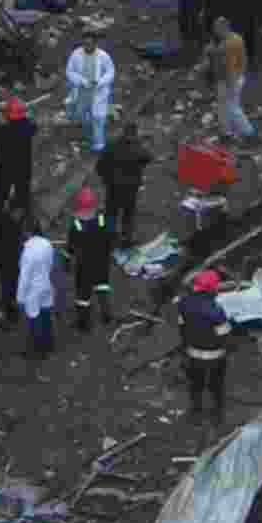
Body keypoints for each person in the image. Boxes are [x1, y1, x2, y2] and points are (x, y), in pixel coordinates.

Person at [178, 269, 232, 420]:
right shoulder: (216, 310)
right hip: (215, 356)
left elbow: (182, 327)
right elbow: (224, 334)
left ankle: (195, 411)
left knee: (196, 384)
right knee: (216, 385)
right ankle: (217, 413)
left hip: (193, 354)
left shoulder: (183, 304)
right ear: (212, 288)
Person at [95, 121, 153, 249]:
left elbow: (99, 166)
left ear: (123, 132)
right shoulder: (138, 148)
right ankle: (126, 239)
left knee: (110, 213)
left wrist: (105, 179)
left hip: (113, 187)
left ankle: (109, 238)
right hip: (130, 189)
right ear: (135, 134)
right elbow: (148, 158)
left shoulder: (111, 145)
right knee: (128, 214)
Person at [67, 186, 114, 331]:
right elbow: (111, 238)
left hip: (84, 267)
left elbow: (71, 247)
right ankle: (106, 314)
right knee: (102, 286)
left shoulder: (76, 225)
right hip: (101, 262)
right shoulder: (103, 219)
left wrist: (67, 260)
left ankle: (83, 323)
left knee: (83, 296)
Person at [202, 17, 256, 141]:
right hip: (233, 77)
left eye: (216, 28)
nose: (214, 31)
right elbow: (243, 59)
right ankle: (226, 132)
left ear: (224, 28)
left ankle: (249, 132)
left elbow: (227, 64)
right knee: (223, 106)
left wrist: (231, 81)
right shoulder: (234, 38)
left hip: (229, 79)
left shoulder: (228, 44)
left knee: (231, 106)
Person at [65, 31, 115, 153]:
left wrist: (100, 82)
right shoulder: (76, 54)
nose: (87, 46)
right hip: (82, 91)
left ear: (95, 44)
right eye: (85, 43)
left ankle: (98, 144)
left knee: (98, 117)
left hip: (98, 92)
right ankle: (87, 137)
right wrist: (81, 81)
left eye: (90, 44)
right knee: (82, 115)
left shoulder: (103, 56)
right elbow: (69, 71)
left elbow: (110, 72)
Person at [0, 96, 36, 219]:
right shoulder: (28, 125)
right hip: (23, 165)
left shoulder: (2, 127)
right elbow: (34, 126)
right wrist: (28, 115)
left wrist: (0, 119)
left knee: (1, 190)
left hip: (5, 165)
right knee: (22, 190)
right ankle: (22, 210)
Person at [17, 224, 56, 359]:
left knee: (34, 319)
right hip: (46, 284)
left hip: (33, 290)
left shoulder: (28, 251)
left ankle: (39, 350)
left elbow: (24, 277)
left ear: (28, 233)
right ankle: (49, 344)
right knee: (46, 315)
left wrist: (20, 298)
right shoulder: (47, 244)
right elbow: (50, 264)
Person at [0, 199, 27, 330]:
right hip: (9, 264)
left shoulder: (8, 222)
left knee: (9, 289)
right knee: (10, 289)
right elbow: (7, 246)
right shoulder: (10, 225)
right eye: (19, 212)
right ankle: (10, 316)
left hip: (7, 263)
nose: (20, 214)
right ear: (14, 211)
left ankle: (10, 312)